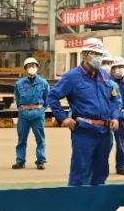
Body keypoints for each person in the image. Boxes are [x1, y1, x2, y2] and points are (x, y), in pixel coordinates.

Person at [48, 37, 120, 187]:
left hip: (105, 133)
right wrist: (63, 118)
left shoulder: (105, 76)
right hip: (84, 132)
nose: (99, 58)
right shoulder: (71, 77)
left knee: (101, 172)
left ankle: (96, 200)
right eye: (95, 54)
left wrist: (115, 116)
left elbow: (114, 98)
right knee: (80, 172)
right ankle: (76, 200)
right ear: (85, 55)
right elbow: (52, 96)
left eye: (100, 54)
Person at [13, 57, 48, 170]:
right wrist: (22, 109)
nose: (31, 68)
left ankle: (41, 161)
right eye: (29, 66)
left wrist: (41, 110)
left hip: (38, 114)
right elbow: (17, 98)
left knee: (40, 139)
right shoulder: (19, 84)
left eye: (33, 65)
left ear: (37, 67)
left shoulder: (43, 83)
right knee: (21, 139)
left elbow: (47, 99)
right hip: (24, 115)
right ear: (25, 69)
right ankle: (20, 161)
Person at [110, 56, 124, 176]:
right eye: (117, 67)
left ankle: (121, 166)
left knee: (121, 143)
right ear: (112, 69)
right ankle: (101, 165)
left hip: (123, 116)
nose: (120, 69)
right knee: (107, 143)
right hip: (110, 116)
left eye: (122, 66)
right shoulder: (108, 82)